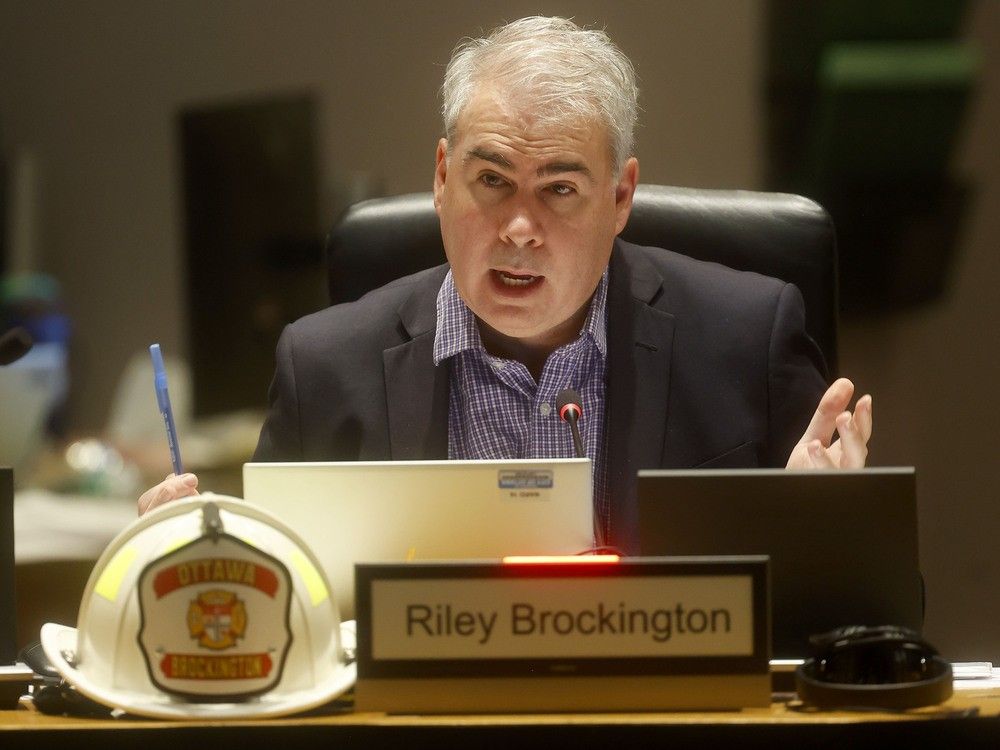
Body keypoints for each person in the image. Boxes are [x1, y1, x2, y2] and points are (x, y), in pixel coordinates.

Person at [139, 17, 872, 551]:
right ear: (440, 178)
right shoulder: (326, 367)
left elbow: (876, 623)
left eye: (558, 189)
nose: (519, 228)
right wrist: (177, 559)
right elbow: (280, 611)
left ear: (620, 199)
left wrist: (829, 531)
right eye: (491, 180)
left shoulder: (745, 339)